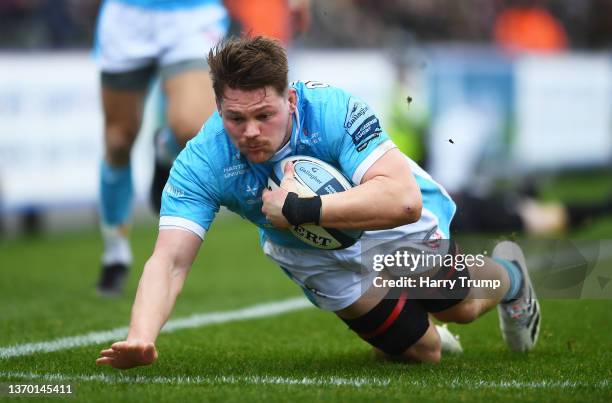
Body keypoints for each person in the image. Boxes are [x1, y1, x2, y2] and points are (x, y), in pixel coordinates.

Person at [96, 36, 540, 369]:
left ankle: (511, 275)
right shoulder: (200, 161)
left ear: (289, 100)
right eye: (235, 118)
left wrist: (300, 210)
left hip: (383, 217)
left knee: (458, 307)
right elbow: (170, 261)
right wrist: (141, 335)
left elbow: (402, 200)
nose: (250, 130)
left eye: (263, 115)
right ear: (218, 107)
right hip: (313, 255)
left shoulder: (331, 109)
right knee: (424, 353)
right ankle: (408, 324)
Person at [95, 0, 229, 296]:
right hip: (127, 17)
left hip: (192, 15)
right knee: (118, 140)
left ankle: (164, 150)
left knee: (192, 128)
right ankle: (115, 251)